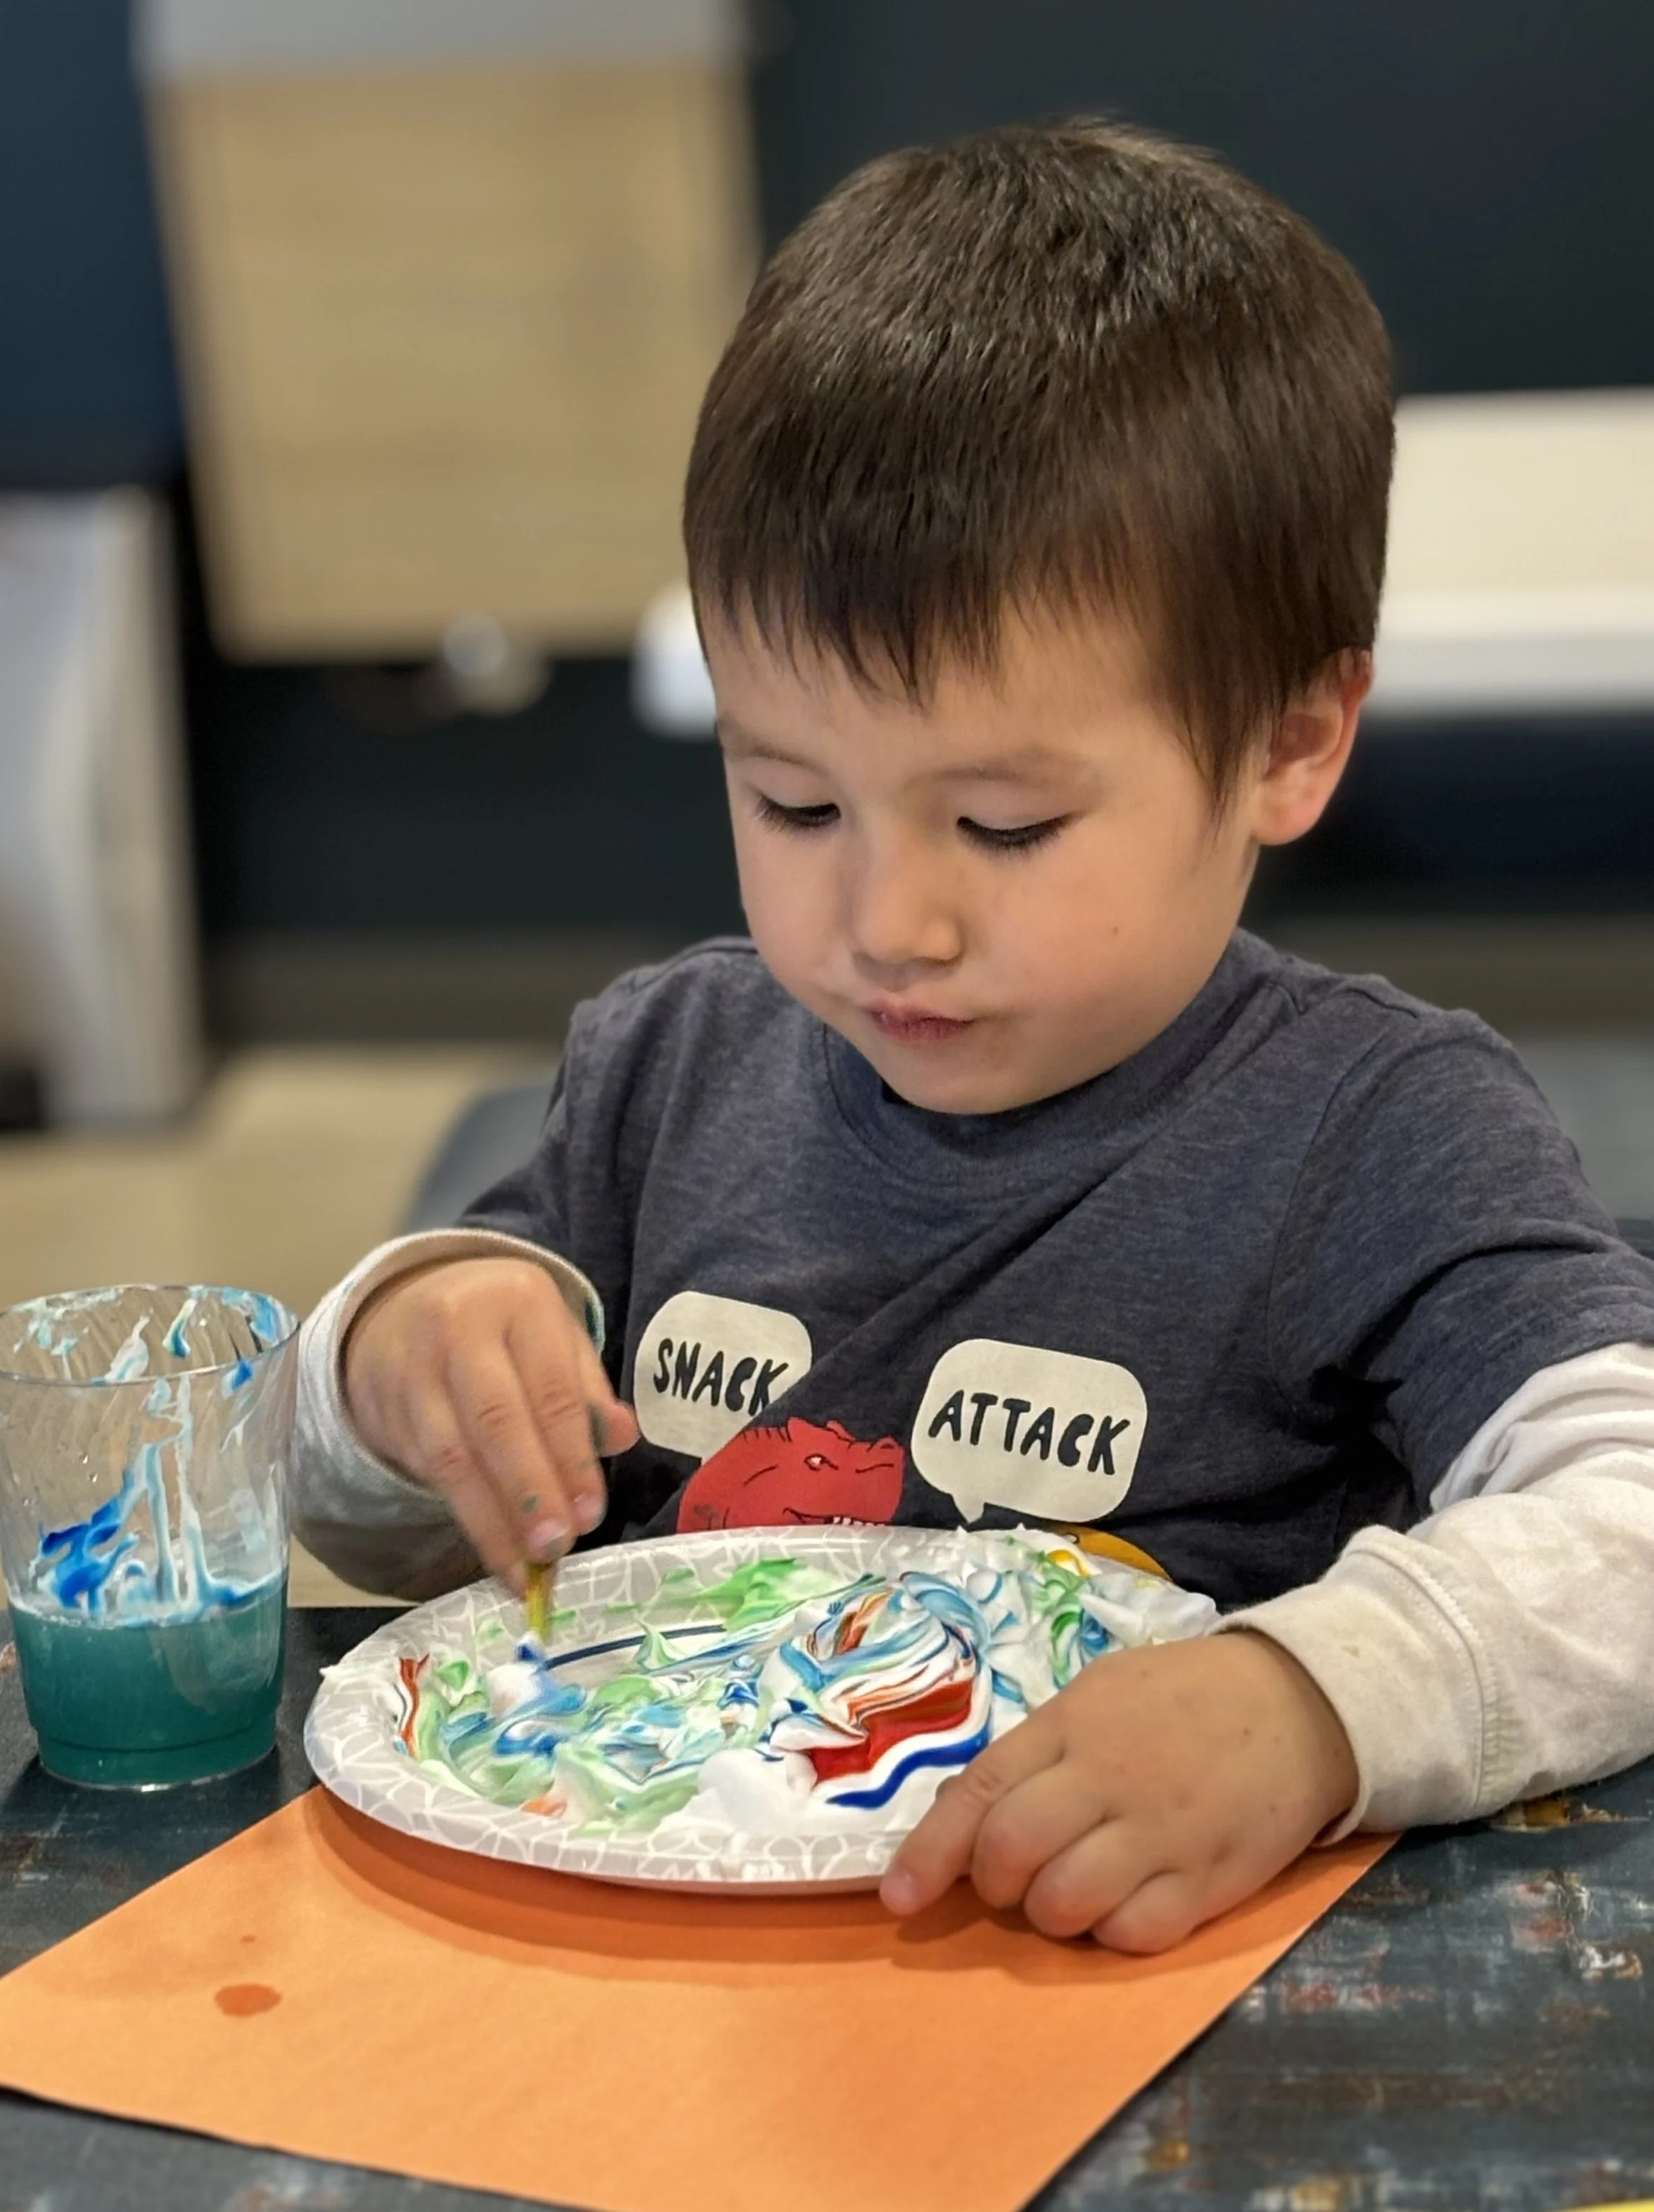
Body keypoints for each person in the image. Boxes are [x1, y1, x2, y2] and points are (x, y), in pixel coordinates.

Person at [292, 120, 1654, 1952]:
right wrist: (393, 1356)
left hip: (1101, 2002)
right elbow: (395, 1544)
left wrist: (1312, 1707)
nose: (888, 925)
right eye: (792, 803)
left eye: (1006, 827)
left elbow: (1631, 1522)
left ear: (1290, 744)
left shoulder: (1380, 1133)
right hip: (656, 1982)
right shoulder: (668, 1072)